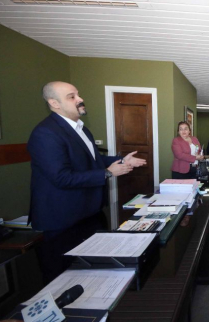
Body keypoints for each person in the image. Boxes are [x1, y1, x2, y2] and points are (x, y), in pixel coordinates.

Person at [28, 81, 146, 284]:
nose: (80, 99)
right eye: (71, 96)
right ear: (54, 103)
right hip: (63, 220)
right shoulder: (45, 133)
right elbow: (62, 177)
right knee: (64, 278)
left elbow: (94, 162)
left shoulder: (82, 130)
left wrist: (121, 160)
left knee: (94, 271)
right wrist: (107, 173)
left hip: (89, 213)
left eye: (78, 94)